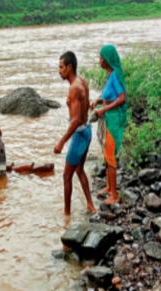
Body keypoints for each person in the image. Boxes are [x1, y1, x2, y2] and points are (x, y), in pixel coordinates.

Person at [54, 51, 96, 216]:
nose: (59, 70)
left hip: (79, 134)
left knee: (66, 176)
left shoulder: (74, 88)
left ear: (69, 67)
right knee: (79, 170)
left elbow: (76, 120)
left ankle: (66, 214)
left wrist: (61, 142)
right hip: (87, 131)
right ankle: (91, 205)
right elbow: (84, 107)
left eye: (61, 67)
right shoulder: (82, 82)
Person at [91, 44, 127, 205]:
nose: (99, 61)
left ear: (107, 60)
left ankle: (114, 195)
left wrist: (104, 109)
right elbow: (109, 95)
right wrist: (98, 101)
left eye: (101, 58)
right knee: (106, 153)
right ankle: (108, 186)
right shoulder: (109, 74)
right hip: (108, 116)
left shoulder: (115, 75)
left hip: (113, 119)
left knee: (110, 156)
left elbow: (121, 98)